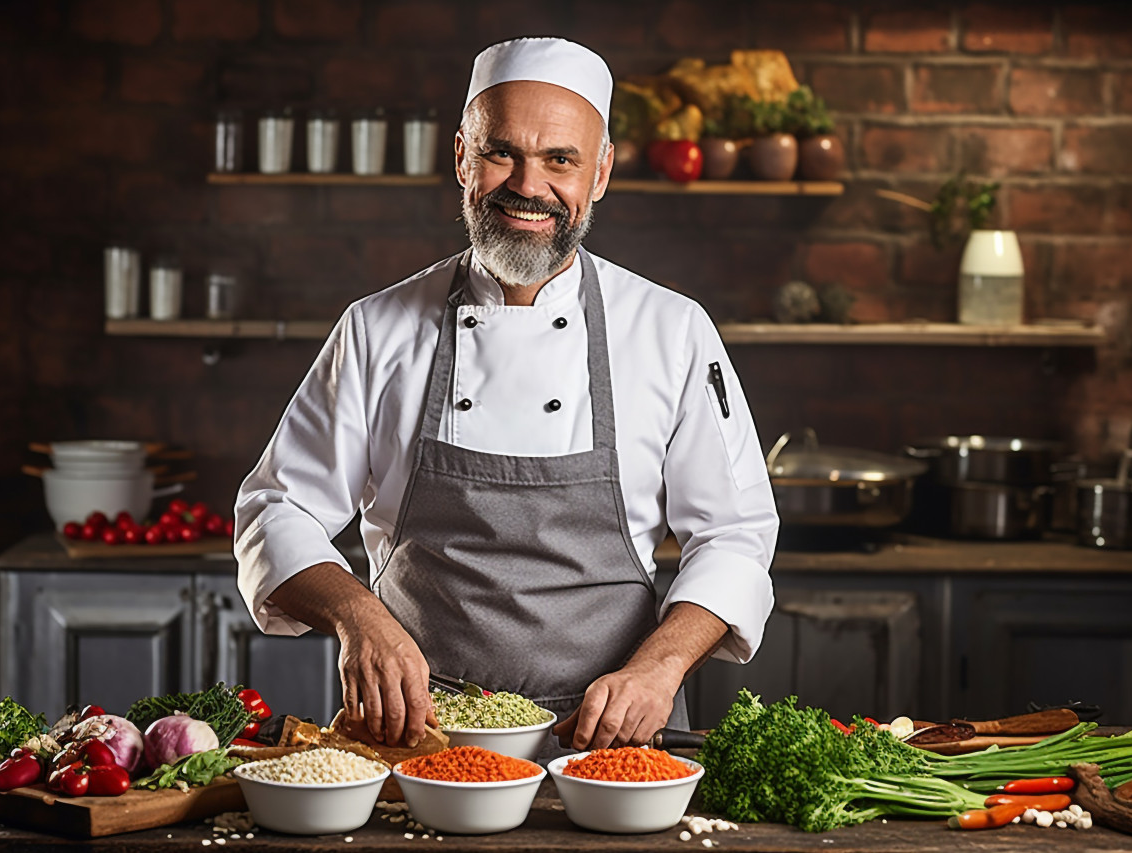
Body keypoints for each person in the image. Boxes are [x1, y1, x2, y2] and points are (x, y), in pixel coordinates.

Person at [234, 37, 778, 754]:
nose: (529, 185)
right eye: (501, 154)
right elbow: (278, 507)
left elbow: (734, 535)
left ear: (602, 171)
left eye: (561, 159)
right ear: (461, 155)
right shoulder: (375, 328)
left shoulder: (672, 331)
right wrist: (358, 618)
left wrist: (660, 665)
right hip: (413, 739)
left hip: (607, 743)